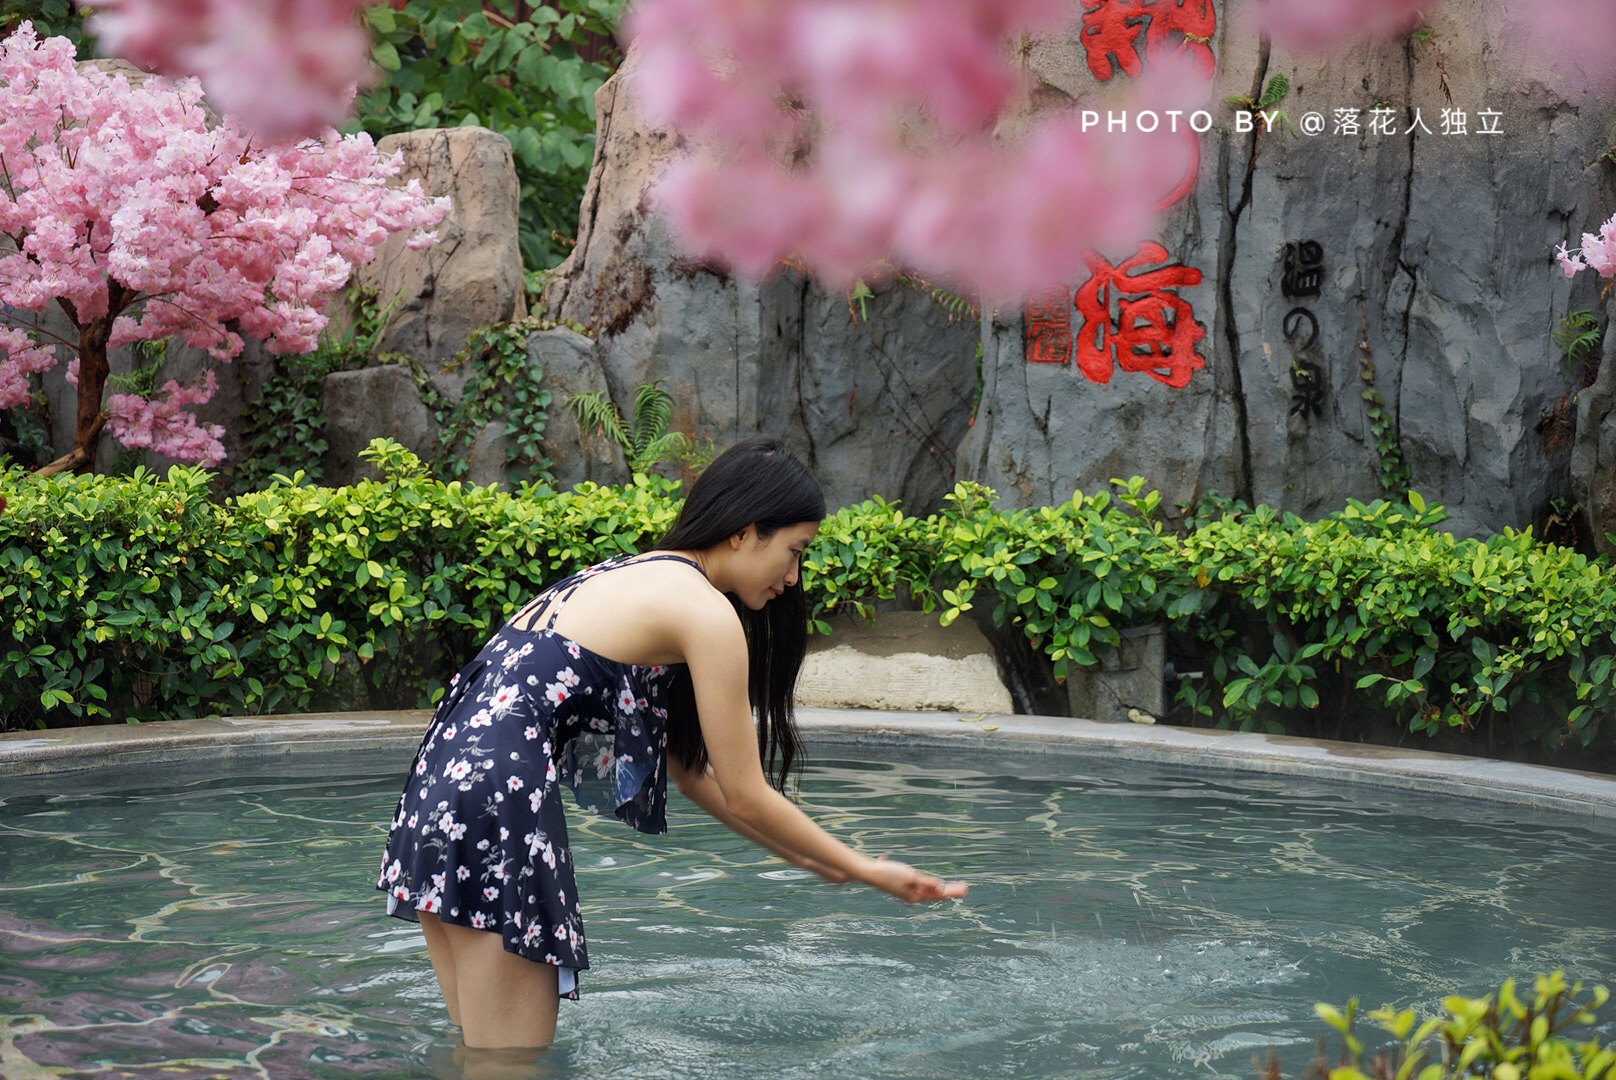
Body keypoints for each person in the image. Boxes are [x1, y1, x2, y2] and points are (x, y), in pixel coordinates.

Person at [377, 434, 966, 1055]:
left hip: (439, 796)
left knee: (480, 1048)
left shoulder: (639, 575)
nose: (794, 578)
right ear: (743, 532)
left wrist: (807, 857)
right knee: (511, 1063)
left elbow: (688, 769)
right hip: (498, 804)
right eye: (793, 552)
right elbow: (745, 792)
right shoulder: (704, 613)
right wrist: (869, 870)